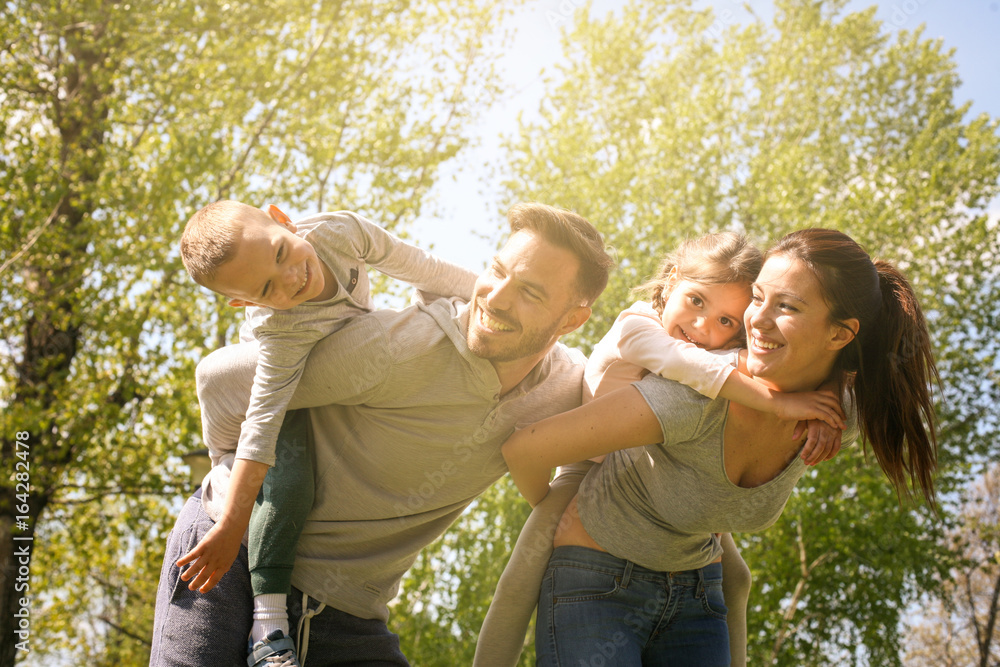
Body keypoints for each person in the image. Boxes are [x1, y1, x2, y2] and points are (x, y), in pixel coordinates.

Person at [149, 202, 616, 666]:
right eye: (496, 271)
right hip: (231, 558)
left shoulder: (568, 389)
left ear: (573, 320)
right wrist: (228, 481)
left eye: (531, 292)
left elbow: (644, 393)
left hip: (349, 611)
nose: (495, 298)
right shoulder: (392, 349)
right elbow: (220, 382)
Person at [500, 228, 938, 665]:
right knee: (515, 590)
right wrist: (555, 500)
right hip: (598, 575)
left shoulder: (834, 410)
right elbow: (525, 450)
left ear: (841, 336)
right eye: (759, 298)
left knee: (739, 578)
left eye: (785, 306)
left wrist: (830, 389)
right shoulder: (693, 390)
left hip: (697, 589)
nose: (757, 320)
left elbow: (857, 370)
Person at [173, 200, 479, 665]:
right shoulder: (281, 331)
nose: (292, 278)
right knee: (292, 482)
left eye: (281, 253)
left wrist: (490, 300)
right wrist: (232, 524)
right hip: (283, 392)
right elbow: (260, 425)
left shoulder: (339, 233)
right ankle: (269, 624)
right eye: (267, 288)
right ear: (247, 302)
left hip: (338, 361)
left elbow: (420, 265)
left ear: (282, 219)